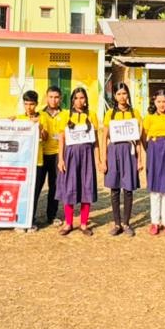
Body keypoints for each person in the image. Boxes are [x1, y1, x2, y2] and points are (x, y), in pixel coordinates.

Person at [101, 82, 142, 237]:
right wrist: (103, 159)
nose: (122, 97)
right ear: (115, 96)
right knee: (114, 188)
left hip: (129, 151)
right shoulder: (110, 113)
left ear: (128, 94)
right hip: (114, 151)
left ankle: (126, 223)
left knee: (128, 189)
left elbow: (137, 140)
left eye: (124, 93)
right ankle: (117, 223)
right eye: (118, 94)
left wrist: (139, 159)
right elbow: (104, 137)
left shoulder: (135, 113)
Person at [56, 87, 97, 236]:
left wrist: (99, 159)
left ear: (86, 100)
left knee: (86, 187)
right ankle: (68, 223)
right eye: (76, 98)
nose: (79, 101)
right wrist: (61, 159)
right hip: (70, 155)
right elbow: (62, 138)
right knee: (69, 188)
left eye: (82, 98)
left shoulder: (92, 115)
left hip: (87, 155)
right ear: (72, 100)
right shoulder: (65, 115)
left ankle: (84, 223)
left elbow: (96, 140)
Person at [142, 91, 165, 235]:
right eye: (159, 102)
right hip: (155, 152)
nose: (162, 105)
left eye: (164, 102)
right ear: (154, 102)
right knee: (156, 188)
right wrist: (150, 149)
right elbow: (143, 137)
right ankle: (155, 222)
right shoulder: (149, 117)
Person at [15, 90, 44, 232]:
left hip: (37, 161)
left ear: (36, 104)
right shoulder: (19, 118)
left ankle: (30, 219)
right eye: (26, 104)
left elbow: (45, 137)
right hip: (22, 162)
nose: (29, 107)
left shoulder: (42, 117)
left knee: (35, 192)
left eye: (32, 104)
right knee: (22, 192)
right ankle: (20, 220)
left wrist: (40, 127)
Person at [36, 86, 66, 226]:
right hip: (41, 155)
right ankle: (30, 216)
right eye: (51, 97)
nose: (53, 100)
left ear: (60, 98)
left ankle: (52, 215)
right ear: (46, 98)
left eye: (56, 97)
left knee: (54, 186)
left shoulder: (66, 114)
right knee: (37, 186)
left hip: (57, 155)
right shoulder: (39, 115)